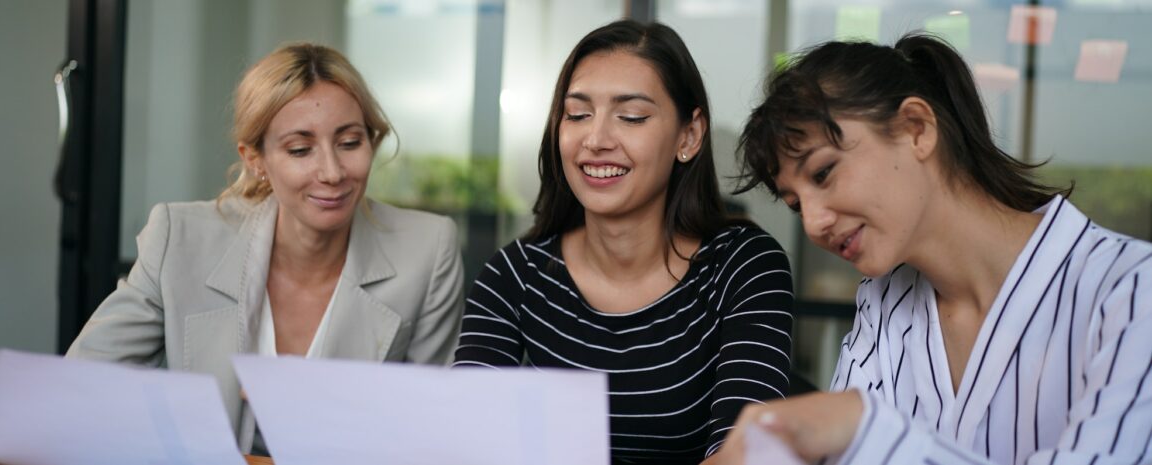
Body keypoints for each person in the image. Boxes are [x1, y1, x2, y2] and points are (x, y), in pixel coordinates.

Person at [719, 33, 1152, 464]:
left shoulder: (1132, 291)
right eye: (796, 206)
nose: (814, 224)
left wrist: (864, 426)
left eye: (824, 173)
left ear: (916, 129)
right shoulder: (885, 303)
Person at [65, 43, 465, 453]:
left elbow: (436, 433)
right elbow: (80, 388)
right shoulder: (180, 238)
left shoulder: (427, 250)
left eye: (349, 142)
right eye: (299, 149)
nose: (332, 172)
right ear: (255, 159)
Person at [453, 20, 794, 465]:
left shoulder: (743, 266)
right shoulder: (516, 274)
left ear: (689, 136)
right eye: (577, 115)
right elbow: (465, 439)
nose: (595, 140)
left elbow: (748, 453)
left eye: (631, 117)